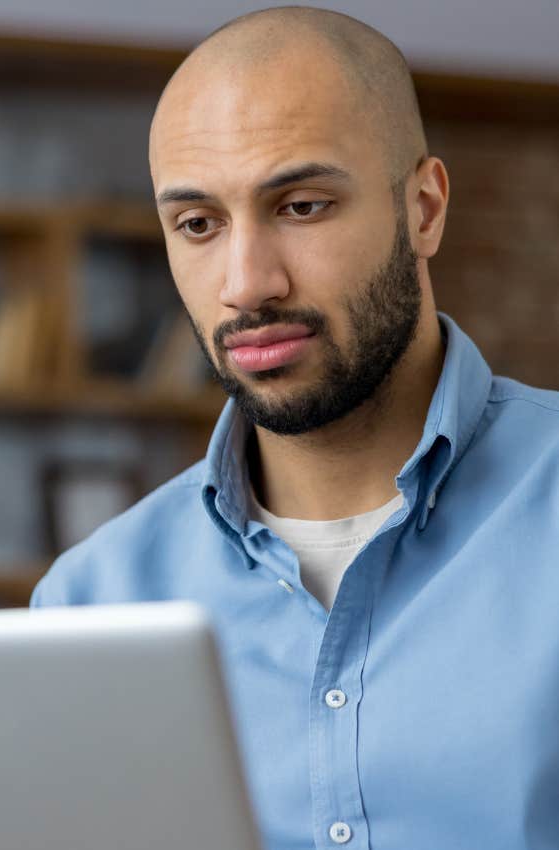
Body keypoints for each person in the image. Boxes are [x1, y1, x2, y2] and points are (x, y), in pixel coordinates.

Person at [31, 7, 559, 849]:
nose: (247, 283)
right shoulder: (89, 605)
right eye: (198, 224)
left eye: (302, 206)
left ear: (423, 209)